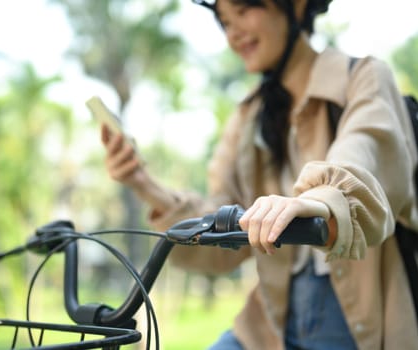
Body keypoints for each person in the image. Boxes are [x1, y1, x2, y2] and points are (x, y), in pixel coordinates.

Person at [100, 0, 418, 348]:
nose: (233, 32)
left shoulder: (363, 77)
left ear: (296, 7)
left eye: (244, 8)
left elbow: (364, 151)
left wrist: (318, 201)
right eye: (224, 21)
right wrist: (142, 184)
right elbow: (221, 227)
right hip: (269, 322)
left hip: (359, 316)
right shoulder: (248, 115)